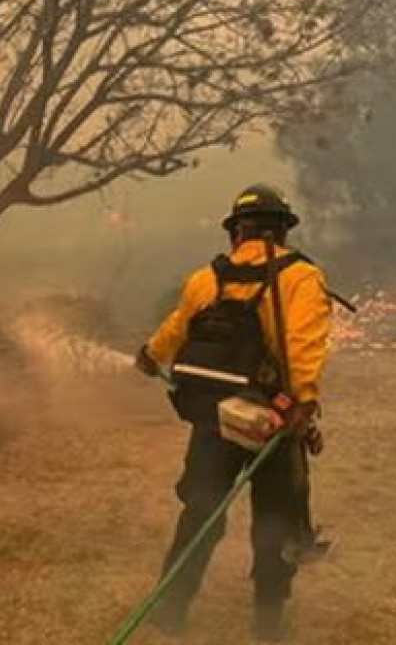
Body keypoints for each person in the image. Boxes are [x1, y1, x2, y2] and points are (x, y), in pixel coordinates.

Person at [133, 184, 333, 642]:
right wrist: (303, 402)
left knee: (200, 510)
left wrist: (151, 355)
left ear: (236, 233)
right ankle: (267, 621)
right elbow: (303, 345)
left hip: (213, 417)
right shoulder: (301, 277)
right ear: (281, 230)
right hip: (274, 422)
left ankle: (172, 607)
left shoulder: (208, 278)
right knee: (275, 519)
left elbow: (176, 328)